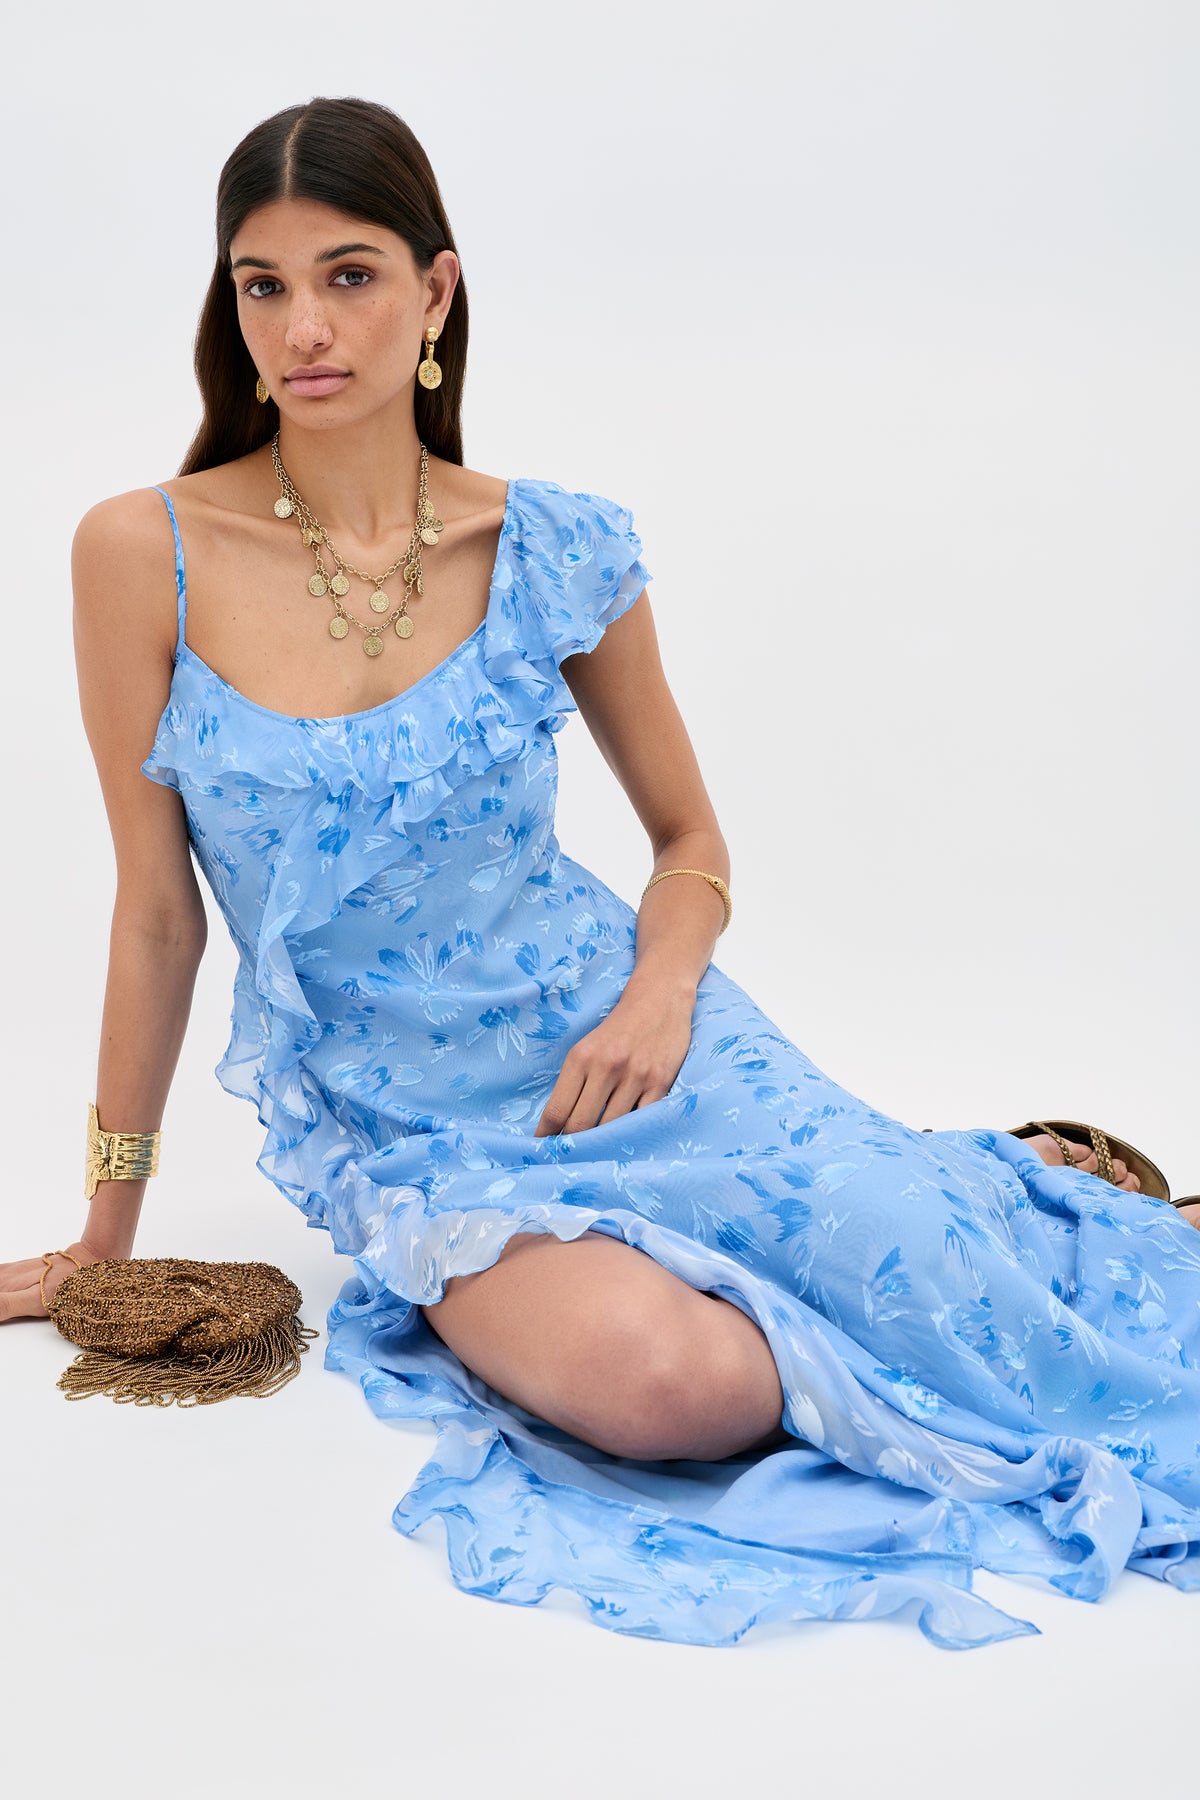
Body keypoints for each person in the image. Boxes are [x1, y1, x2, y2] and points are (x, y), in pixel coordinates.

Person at [5, 96, 1198, 1649]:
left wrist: (656, 996)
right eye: (262, 283)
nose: (302, 326)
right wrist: (109, 1233)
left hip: (638, 1046)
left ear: (436, 294)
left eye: (348, 275)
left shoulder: (552, 547)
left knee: (940, 1272)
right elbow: (158, 914)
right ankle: (900, 1223)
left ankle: (980, 1194)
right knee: (668, 1390)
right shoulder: (138, 553)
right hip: (434, 1136)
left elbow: (691, 846)